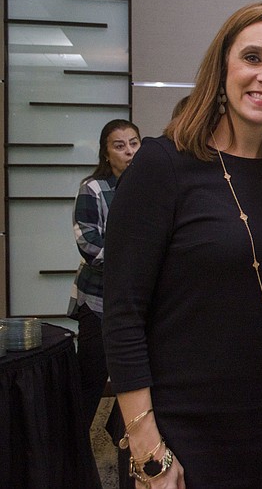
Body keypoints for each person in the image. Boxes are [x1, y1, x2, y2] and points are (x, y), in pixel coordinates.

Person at [102, 2, 262, 488]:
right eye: (253, 58)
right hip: (178, 434)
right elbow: (122, 313)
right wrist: (146, 446)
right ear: (222, 70)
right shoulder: (162, 165)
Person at [69, 119, 141, 432]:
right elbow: (88, 244)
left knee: (137, 375)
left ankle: (119, 433)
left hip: (134, 301)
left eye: (134, 143)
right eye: (119, 145)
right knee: (91, 380)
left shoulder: (147, 185)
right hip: (97, 300)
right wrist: (137, 262)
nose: (129, 151)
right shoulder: (93, 188)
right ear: (106, 153)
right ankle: (71, 450)